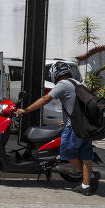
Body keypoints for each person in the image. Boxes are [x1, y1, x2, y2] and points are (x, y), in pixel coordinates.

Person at [17, 61, 99, 195]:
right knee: (86, 155)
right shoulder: (79, 83)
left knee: (66, 152)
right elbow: (76, 105)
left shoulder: (63, 84)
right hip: (86, 126)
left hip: (74, 127)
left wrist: (26, 110)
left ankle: (90, 176)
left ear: (55, 73)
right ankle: (86, 186)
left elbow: (45, 99)